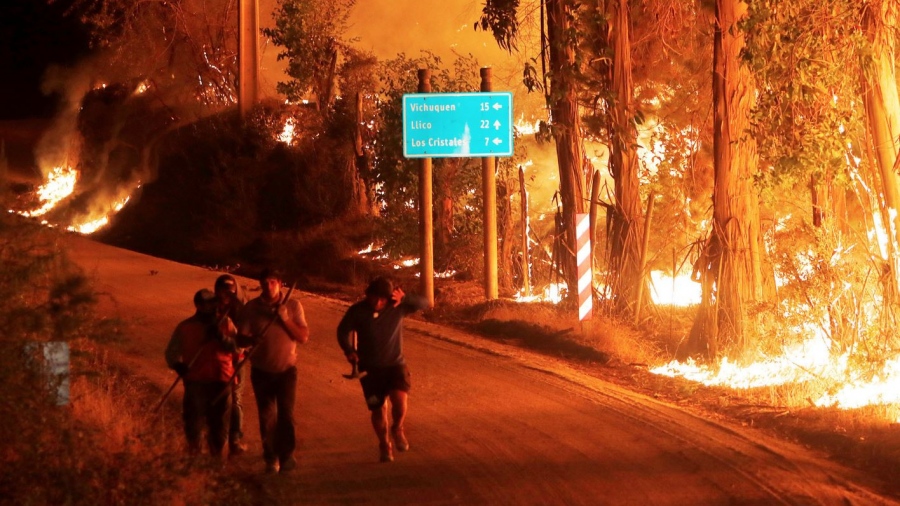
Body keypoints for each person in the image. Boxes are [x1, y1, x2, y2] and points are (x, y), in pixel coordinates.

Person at [336, 276, 428, 463]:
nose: (378, 302)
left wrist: (407, 298)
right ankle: (384, 443)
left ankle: (398, 428)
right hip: (369, 369)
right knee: (378, 410)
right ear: (368, 295)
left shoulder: (398, 307)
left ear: (389, 298)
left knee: (400, 400)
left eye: (382, 299)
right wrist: (349, 350)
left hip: (395, 364)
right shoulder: (358, 311)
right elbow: (342, 331)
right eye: (374, 297)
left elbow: (425, 303)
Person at [237, 268, 309, 474]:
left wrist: (284, 318)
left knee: (286, 415)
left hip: (287, 370)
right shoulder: (251, 308)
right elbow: (239, 340)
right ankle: (271, 457)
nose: (269, 286)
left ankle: (287, 455)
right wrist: (251, 340)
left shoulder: (293, 306)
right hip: (261, 371)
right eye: (265, 282)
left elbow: (303, 337)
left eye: (272, 282)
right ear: (260, 284)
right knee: (267, 416)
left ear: (280, 284)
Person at [164, 288, 237, 459]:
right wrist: (177, 365)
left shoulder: (225, 324)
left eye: (212, 303)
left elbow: (237, 348)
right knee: (194, 424)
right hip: (195, 381)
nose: (210, 307)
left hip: (221, 381)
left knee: (219, 426)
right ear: (198, 305)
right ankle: (194, 461)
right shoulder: (185, 327)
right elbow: (170, 353)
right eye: (206, 304)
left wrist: (221, 337)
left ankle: (217, 461)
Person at [214, 274, 249, 456]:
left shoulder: (241, 308)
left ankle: (235, 438)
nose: (227, 293)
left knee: (236, 399)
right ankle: (217, 438)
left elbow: (248, 329)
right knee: (218, 398)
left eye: (230, 289)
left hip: (237, 358)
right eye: (223, 289)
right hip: (215, 359)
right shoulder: (211, 309)